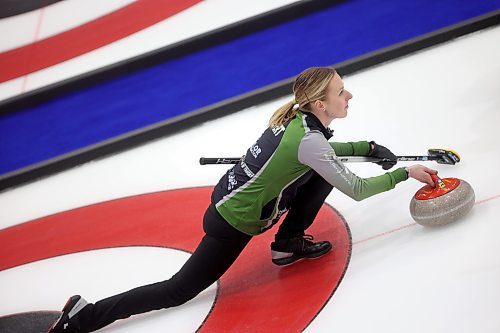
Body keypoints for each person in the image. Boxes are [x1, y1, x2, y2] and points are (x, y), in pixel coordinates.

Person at [49, 67, 437, 332]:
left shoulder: (298, 120)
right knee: (177, 290)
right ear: (320, 104)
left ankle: (287, 245)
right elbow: (355, 186)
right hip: (232, 221)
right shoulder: (310, 140)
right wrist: (404, 172)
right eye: (340, 91)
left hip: (237, 198)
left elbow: (323, 155)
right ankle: (84, 316)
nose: (348, 95)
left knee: (319, 176)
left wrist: (367, 146)